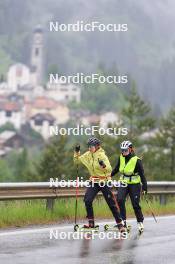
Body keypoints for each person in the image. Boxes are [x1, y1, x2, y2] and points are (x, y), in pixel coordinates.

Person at [74, 137, 125, 232]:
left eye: (92, 146)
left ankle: (120, 224)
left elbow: (109, 169)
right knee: (87, 200)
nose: (90, 148)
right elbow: (77, 161)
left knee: (111, 203)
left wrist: (103, 165)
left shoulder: (102, 155)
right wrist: (77, 152)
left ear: (97, 146)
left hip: (104, 181)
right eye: (89, 146)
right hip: (94, 181)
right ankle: (91, 224)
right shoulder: (88, 155)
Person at [111, 140, 147, 232]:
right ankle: (123, 222)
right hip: (123, 182)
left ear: (131, 149)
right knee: (120, 200)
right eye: (122, 150)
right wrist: (108, 176)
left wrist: (145, 188)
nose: (123, 152)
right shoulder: (121, 157)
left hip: (135, 184)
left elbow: (142, 175)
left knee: (135, 204)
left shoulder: (137, 160)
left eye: (125, 150)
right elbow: (116, 169)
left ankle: (140, 221)